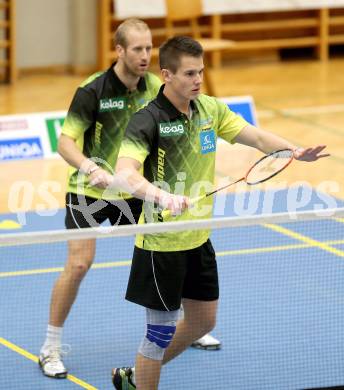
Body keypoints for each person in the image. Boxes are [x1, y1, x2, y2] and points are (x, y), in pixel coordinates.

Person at [111, 36, 329, 389]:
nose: (198, 79)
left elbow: (256, 138)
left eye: (201, 71)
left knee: (203, 322)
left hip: (198, 239)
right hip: (162, 245)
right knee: (158, 336)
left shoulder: (209, 109)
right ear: (166, 75)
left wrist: (294, 150)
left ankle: (135, 375)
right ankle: (141, 380)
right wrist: (161, 196)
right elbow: (124, 173)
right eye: (189, 73)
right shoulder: (147, 120)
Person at [38, 18, 162, 379]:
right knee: (79, 264)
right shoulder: (92, 89)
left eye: (148, 48)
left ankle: (186, 327)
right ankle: (50, 346)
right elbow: (65, 142)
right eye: (137, 49)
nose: (144, 56)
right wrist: (91, 168)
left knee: (168, 252)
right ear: (119, 50)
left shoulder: (154, 86)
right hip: (89, 188)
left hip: (133, 188)